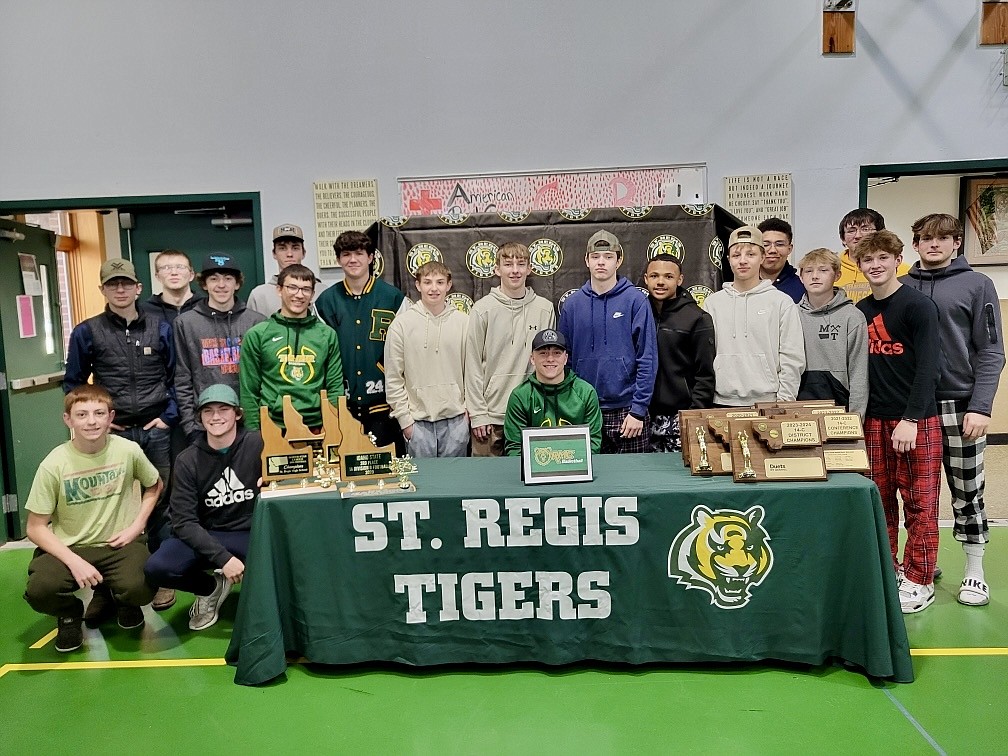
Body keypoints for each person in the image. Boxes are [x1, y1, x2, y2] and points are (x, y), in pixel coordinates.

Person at [901, 213, 1005, 607]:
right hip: (913, 408)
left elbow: (992, 350)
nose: (934, 245)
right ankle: (920, 561)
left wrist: (981, 406)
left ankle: (974, 569)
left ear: (956, 243)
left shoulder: (978, 285)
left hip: (960, 406)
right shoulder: (902, 285)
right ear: (915, 244)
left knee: (967, 491)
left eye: (943, 238)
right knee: (916, 494)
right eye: (926, 238)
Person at [63, 257, 177, 611]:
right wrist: (98, 420)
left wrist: (168, 417)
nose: (121, 289)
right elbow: (74, 384)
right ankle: (105, 589)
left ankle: (158, 579)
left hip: (155, 431)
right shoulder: (86, 331)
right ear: (103, 290)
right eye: (113, 284)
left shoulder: (161, 327)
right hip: (113, 435)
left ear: (139, 287)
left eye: (126, 283)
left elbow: (177, 376)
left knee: (159, 505)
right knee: (110, 508)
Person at [24, 385, 163, 652]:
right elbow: (35, 527)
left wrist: (138, 524)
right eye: (82, 414)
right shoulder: (53, 464)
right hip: (71, 547)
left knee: (141, 586)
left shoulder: (128, 450)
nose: (91, 421)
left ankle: (124, 600)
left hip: (119, 545)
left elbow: (154, 485)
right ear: (68, 420)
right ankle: (69, 615)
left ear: (111, 417)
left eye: (99, 413)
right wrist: (73, 560)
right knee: (41, 589)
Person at [854, 229, 942, 614]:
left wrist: (911, 418)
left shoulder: (917, 307)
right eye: (867, 260)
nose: (875, 265)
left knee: (920, 503)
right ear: (859, 266)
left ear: (897, 260)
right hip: (874, 420)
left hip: (915, 421)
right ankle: (888, 567)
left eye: (882, 258)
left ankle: (920, 578)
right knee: (880, 499)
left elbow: (928, 369)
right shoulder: (861, 311)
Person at [145, 385, 262, 631]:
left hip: (250, 531)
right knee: (158, 568)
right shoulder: (187, 460)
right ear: (199, 418)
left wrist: (273, 479)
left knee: (282, 560)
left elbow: (289, 468)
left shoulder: (258, 443)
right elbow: (183, 522)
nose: (216, 417)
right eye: (208, 411)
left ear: (237, 414)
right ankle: (210, 588)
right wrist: (223, 558)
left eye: (223, 409)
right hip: (208, 533)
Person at [558, 230, 657, 453]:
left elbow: (647, 357)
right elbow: (565, 360)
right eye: (595, 257)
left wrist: (638, 409)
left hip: (627, 411)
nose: (601, 262)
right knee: (587, 484)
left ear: (619, 260)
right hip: (583, 407)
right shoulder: (572, 305)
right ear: (586, 260)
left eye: (608, 256)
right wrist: (570, 405)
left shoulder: (635, 300)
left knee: (632, 483)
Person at [315, 231, 407, 452]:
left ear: (371, 257)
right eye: (346, 254)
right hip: (341, 408)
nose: (353, 259)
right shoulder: (325, 302)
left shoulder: (393, 298)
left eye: (359, 253)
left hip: (385, 407)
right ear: (338, 260)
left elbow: (407, 352)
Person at [465, 241, 556, 456]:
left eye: (521, 264)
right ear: (497, 269)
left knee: (533, 483)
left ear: (529, 269)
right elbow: (472, 364)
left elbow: (550, 365)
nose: (515, 270)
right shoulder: (482, 310)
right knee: (487, 486)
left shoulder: (544, 309)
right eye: (508, 264)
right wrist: (478, 413)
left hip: (532, 416)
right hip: (491, 418)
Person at [703, 226, 805, 406]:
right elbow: (703, 357)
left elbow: (792, 357)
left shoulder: (781, 302)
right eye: (736, 255)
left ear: (762, 258)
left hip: (769, 403)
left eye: (750, 254)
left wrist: (784, 402)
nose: (743, 261)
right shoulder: (712, 304)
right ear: (728, 260)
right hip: (720, 402)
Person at [239, 264, 344, 431]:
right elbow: (249, 391)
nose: (299, 295)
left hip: (317, 427)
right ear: (279, 290)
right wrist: (254, 434)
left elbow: (335, 387)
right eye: (292, 288)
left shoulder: (327, 335)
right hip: (273, 427)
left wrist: (333, 427)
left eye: (306, 289)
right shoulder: (258, 334)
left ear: (312, 294)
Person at [173, 254, 265, 442]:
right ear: (204, 284)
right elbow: (182, 377)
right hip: (205, 424)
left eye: (228, 279)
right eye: (214, 279)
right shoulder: (185, 323)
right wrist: (190, 424)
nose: (221, 285)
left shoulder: (257, 322)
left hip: (250, 423)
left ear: (237, 283)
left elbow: (265, 377)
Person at [384, 260, 469, 457]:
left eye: (440, 282)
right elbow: (394, 377)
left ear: (449, 285)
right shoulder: (401, 325)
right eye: (428, 282)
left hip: (456, 421)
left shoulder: (464, 322)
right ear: (418, 285)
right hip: (417, 424)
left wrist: (467, 413)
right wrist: (406, 422)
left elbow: (473, 372)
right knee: (421, 484)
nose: (434, 288)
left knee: (455, 484)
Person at [643, 253, 715, 452]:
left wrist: (693, 416)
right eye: (655, 276)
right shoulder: (638, 313)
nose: (660, 282)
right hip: (642, 415)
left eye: (668, 277)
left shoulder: (697, 318)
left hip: (680, 415)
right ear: (646, 279)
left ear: (680, 279)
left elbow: (705, 374)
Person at [503, 328, 602, 456]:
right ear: (532, 359)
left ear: (565, 358)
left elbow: (593, 444)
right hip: (535, 469)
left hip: (575, 468)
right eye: (543, 353)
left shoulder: (586, 393)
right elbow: (515, 448)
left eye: (557, 353)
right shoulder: (520, 396)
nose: (550, 359)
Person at [796, 248, 868, 417]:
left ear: (837, 276)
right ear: (801, 277)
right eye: (808, 271)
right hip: (797, 406)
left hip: (839, 406)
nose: (815, 276)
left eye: (823, 270)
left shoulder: (852, 316)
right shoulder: (791, 315)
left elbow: (859, 373)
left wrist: (856, 417)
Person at [834, 208, 910, 304]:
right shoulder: (831, 270)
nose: (858, 235)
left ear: (880, 233)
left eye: (865, 229)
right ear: (843, 238)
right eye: (851, 231)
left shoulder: (903, 270)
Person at [246, 224, 322, 316]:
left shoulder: (322, 292)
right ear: (274, 253)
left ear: (303, 253)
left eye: (295, 248)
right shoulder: (259, 295)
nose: (289, 254)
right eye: (282, 248)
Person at [141, 249, 201, 324]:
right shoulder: (144, 311)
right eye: (166, 268)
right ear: (157, 276)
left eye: (180, 267)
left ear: (191, 275)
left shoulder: (205, 306)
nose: (174, 272)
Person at [757, 217, 805, 303]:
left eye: (779, 244)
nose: (772, 250)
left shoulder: (803, 288)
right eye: (766, 244)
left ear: (789, 249)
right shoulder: (744, 284)